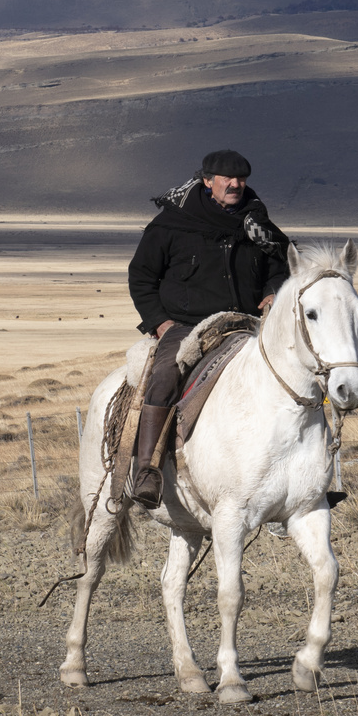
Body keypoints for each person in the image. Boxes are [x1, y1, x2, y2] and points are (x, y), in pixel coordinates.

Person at [125, 149, 291, 507]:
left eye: (241, 178)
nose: (235, 185)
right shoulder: (172, 224)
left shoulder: (256, 221)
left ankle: (300, 478)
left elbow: (281, 264)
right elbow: (141, 276)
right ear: (207, 181)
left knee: (294, 371)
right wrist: (160, 323)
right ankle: (147, 471)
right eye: (227, 179)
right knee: (165, 374)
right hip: (187, 326)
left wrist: (273, 292)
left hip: (245, 322)